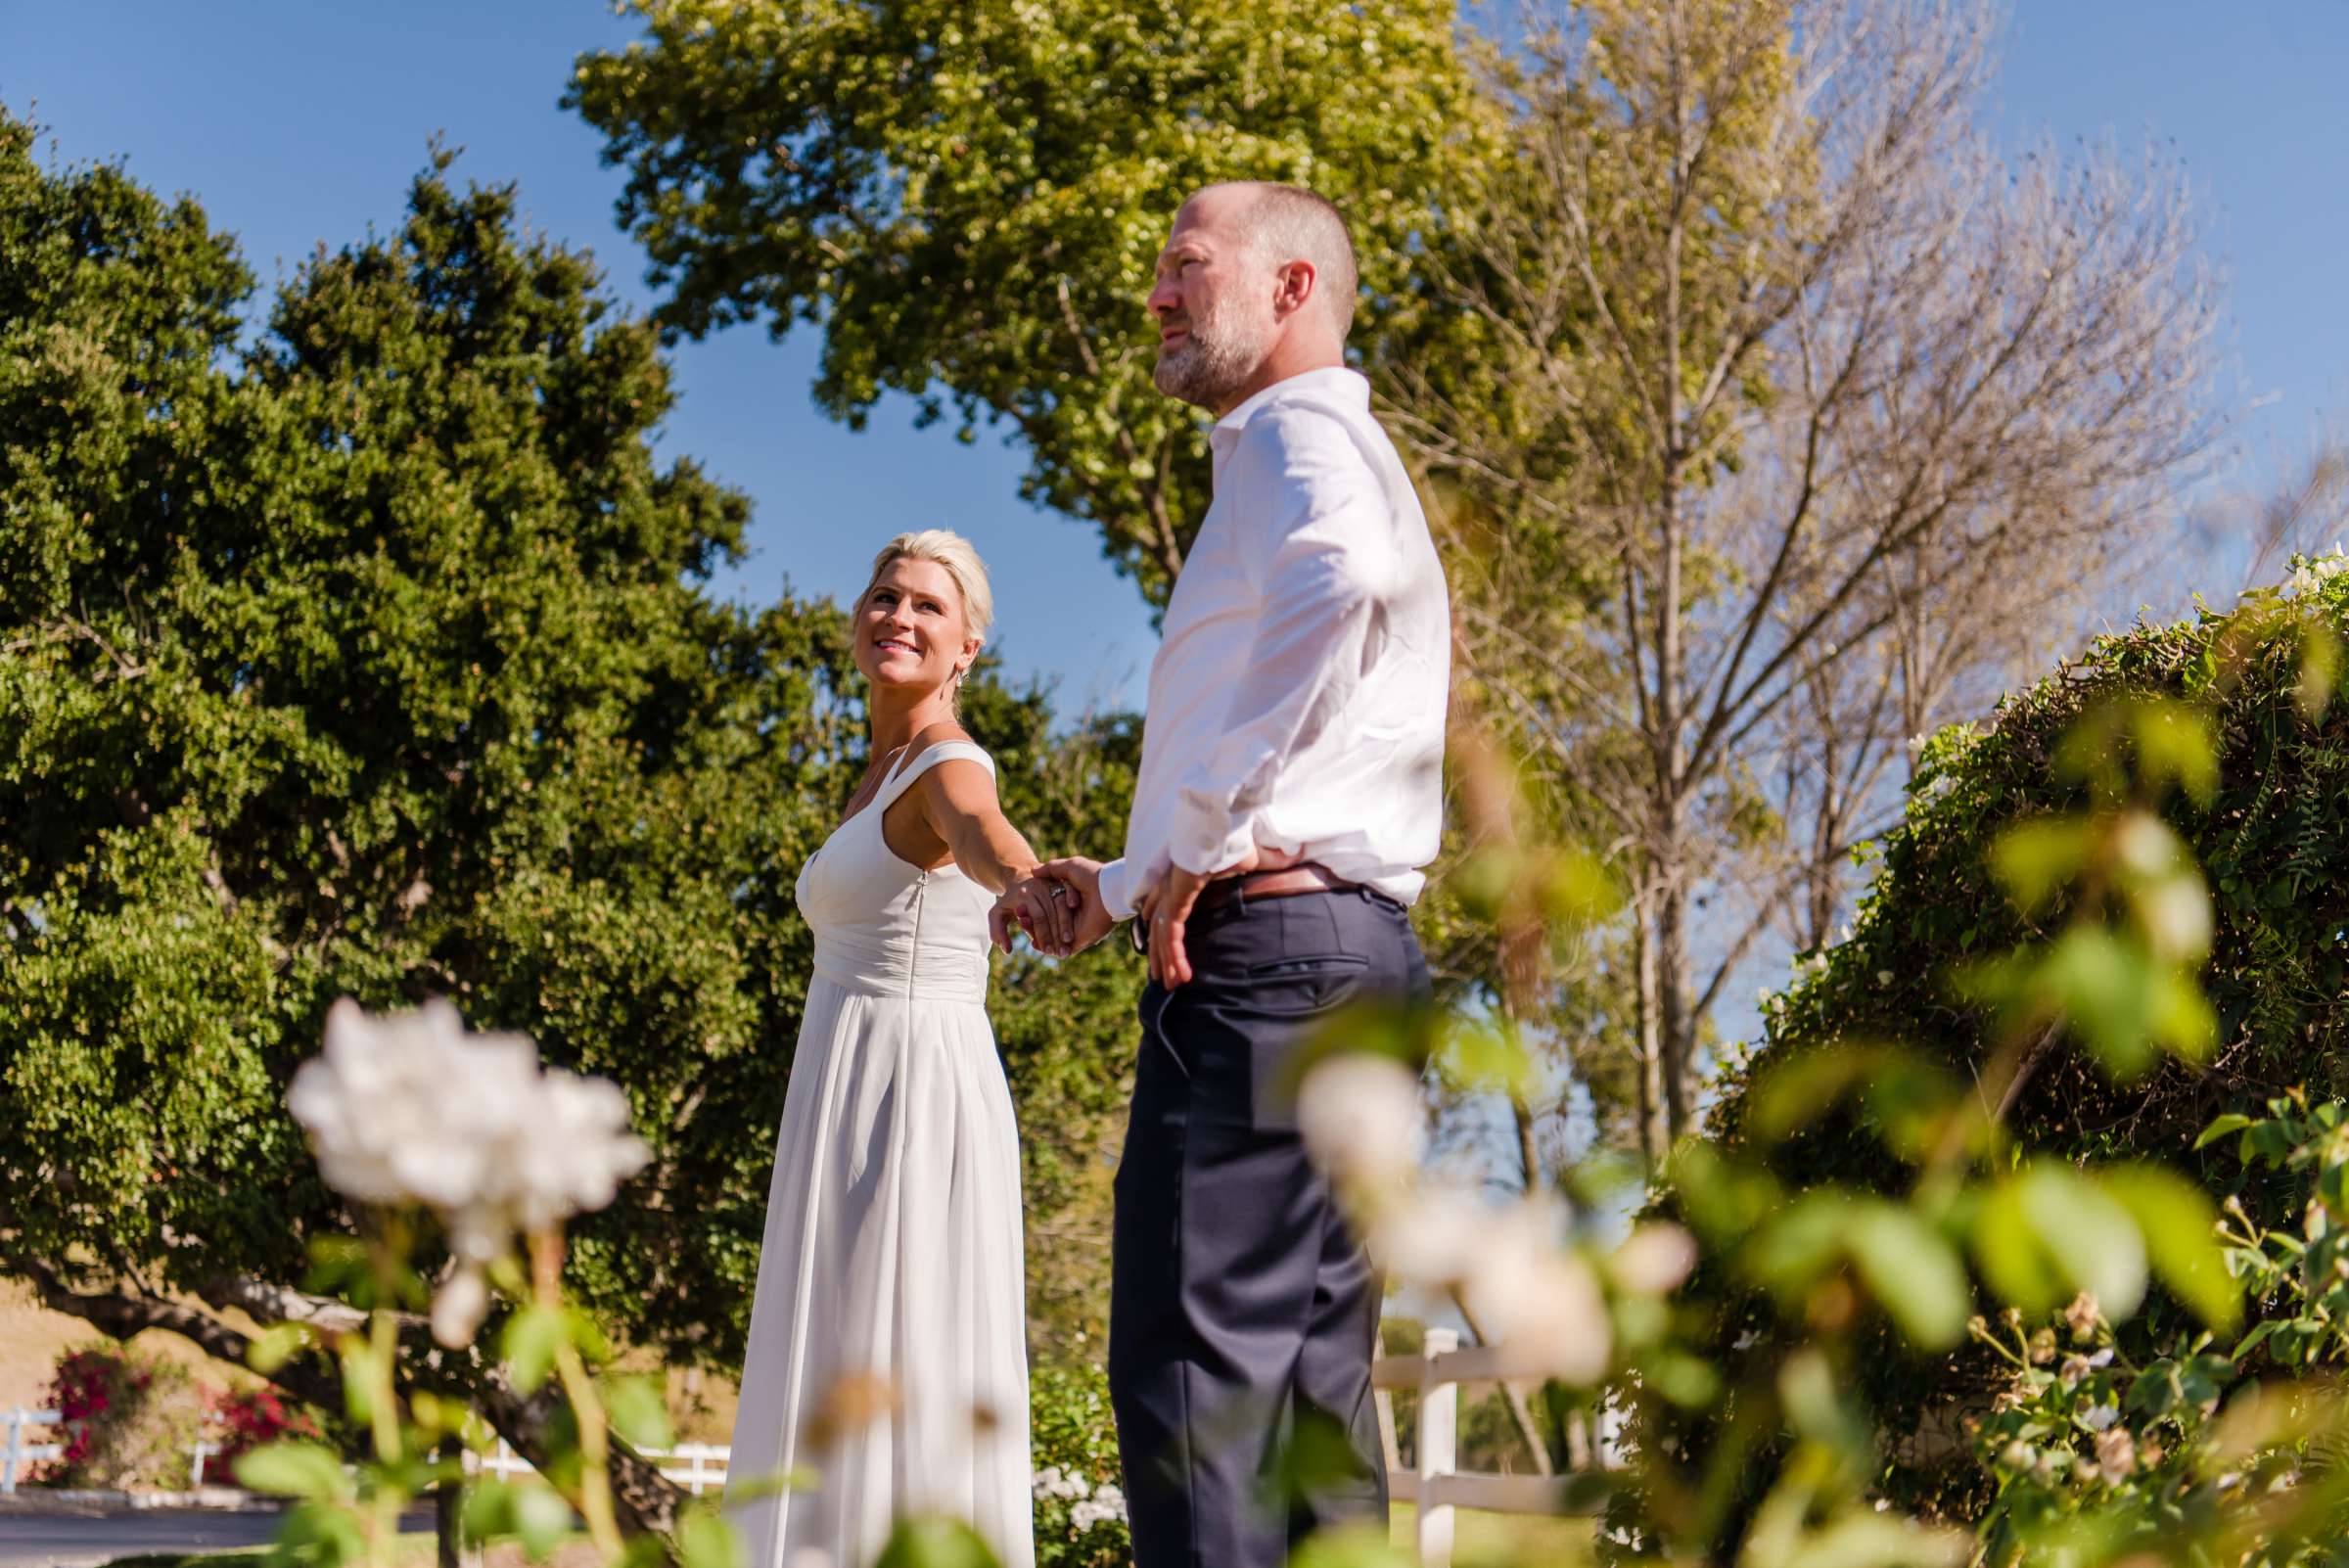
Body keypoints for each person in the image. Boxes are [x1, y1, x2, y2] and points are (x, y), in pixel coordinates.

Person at [1000, 183, 1451, 1568]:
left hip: (1261, 972)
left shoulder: (1293, 439)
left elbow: (1339, 582)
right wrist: (1137, 871)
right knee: (1311, 1411)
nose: (1158, 296)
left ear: (1294, 286)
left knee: (1200, 1387)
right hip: (1356, 961)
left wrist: (1194, 839)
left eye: (1187, 265)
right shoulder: (1341, 447)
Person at [727, 530, 1067, 1568]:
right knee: (831, 1352)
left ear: (967, 648)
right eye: (886, 597)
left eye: (928, 606)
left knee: (893, 1357)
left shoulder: (944, 765)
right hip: (841, 1087)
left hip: (908, 1099)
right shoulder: (876, 769)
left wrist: (1020, 880)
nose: (900, 618)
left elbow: (983, 830)